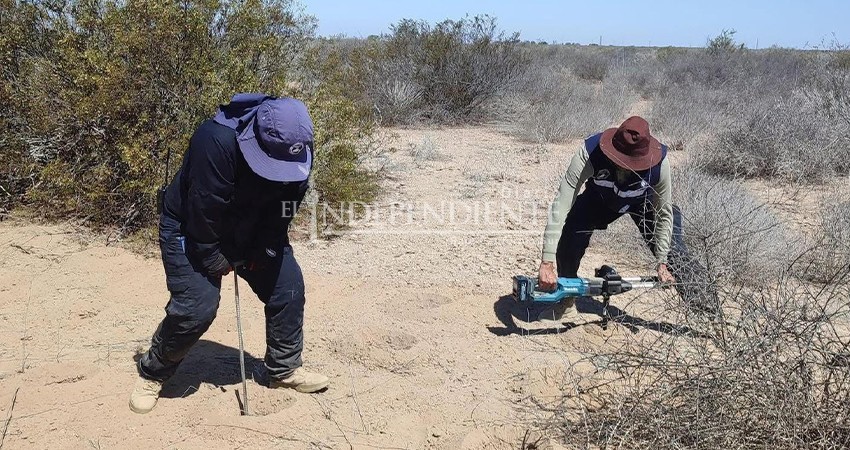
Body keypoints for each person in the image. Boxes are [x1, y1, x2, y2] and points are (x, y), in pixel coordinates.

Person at [129, 93, 328, 414]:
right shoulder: (215, 140)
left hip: (251, 226)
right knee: (196, 308)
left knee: (288, 289)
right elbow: (203, 208)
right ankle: (152, 371)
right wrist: (212, 256)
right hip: (191, 226)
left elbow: (286, 206)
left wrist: (263, 246)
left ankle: (283, 369)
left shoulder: (298, 146)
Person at [538, 116, 703, 314]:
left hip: (643, 202)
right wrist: (546, 261)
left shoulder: (660, 164)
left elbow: (664, 213)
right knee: (570, 238)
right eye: (620, 159)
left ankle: (706, 309)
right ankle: (566, 297)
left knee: (676, 253)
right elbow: (562, 201)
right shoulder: (589, 152)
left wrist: (662, 261)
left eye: (632, 162)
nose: (626, 165)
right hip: (600, 199)